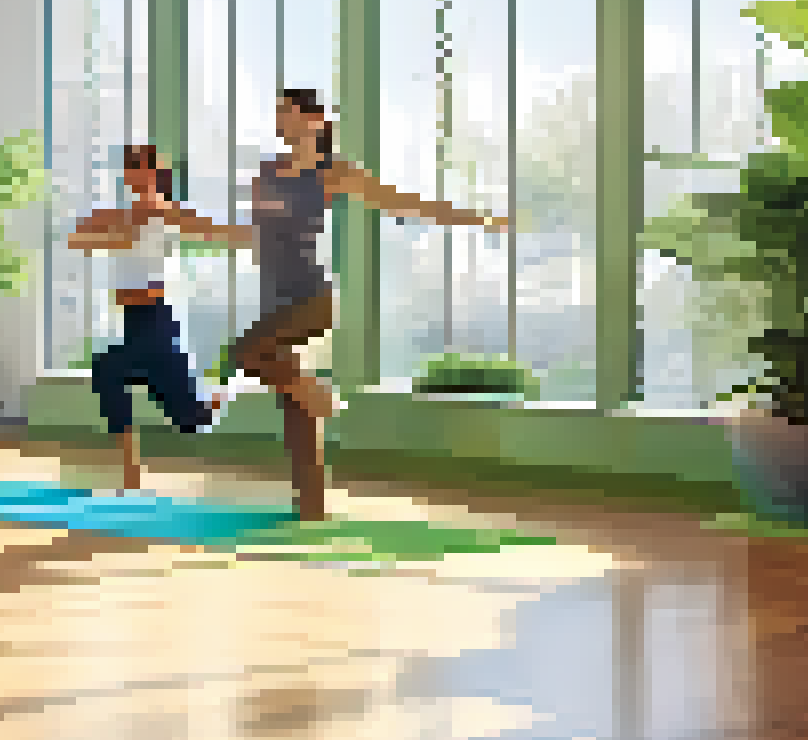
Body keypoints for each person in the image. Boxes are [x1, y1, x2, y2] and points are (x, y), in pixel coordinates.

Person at [239, 88, 508, 520]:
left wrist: (478, 218)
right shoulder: (267, 171)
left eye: (287, 112)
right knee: (295, 409)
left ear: (315, 120)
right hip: (274, 295)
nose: (279, 120)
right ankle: (311, 510)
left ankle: (321, 393)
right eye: (277, 113)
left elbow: (404, 203)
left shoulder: (333, 172)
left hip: (311, 296)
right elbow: (256, 231)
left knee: (247, 355)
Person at [65, 145, 249, 490]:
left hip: (160, 322)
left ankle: (224, 391)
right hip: (133, 322)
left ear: (155, 173)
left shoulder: (168, 213)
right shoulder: (116, 215)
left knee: (191, 419)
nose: (134, 174)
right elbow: (76, 238)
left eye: (141, 167)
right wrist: (118, 235)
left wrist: (265, 235)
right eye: (129, 168)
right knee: (111, 372)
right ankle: (131, 472)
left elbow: (217, 231)